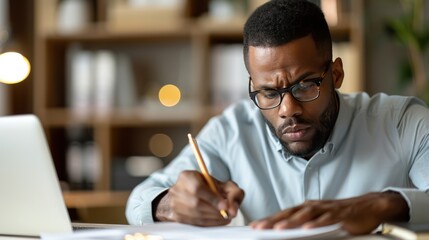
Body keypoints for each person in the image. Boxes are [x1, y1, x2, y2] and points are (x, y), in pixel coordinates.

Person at [126, 0, 429, 235]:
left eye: (305, 85)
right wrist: (169, 205)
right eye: (269, 93)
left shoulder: (402, 122)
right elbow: (138, 201)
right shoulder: (231, 131)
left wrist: (380, 206)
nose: (288, 110)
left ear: (335, 74)